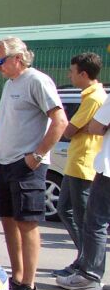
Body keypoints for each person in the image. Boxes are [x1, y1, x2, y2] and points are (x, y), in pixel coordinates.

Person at [0, 37, 68, 290]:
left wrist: (36, 156)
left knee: (27, 223)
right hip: (5, 161)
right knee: (8, 220)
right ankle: (18, 277)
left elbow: (59, 120)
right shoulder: (10, 84)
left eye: (0, 62)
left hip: (26, 165)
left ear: (18, 58)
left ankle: (30, 284)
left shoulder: (36, 80)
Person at [52, 53, 106, 278]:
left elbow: (70, 129)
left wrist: (78, 127)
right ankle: (83, 258)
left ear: (84, 74)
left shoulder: (95, 98)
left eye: (72, 72)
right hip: (76, 161)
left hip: (85, 162)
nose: (69, 75)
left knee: (85, 218)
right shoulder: (89, 96)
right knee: (66, 210)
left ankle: (87, 264)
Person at [56, 96, 110, 290]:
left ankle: (90, 275)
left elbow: (96, 127)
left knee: (96, 222)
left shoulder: (96, 96)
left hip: (107, 169)